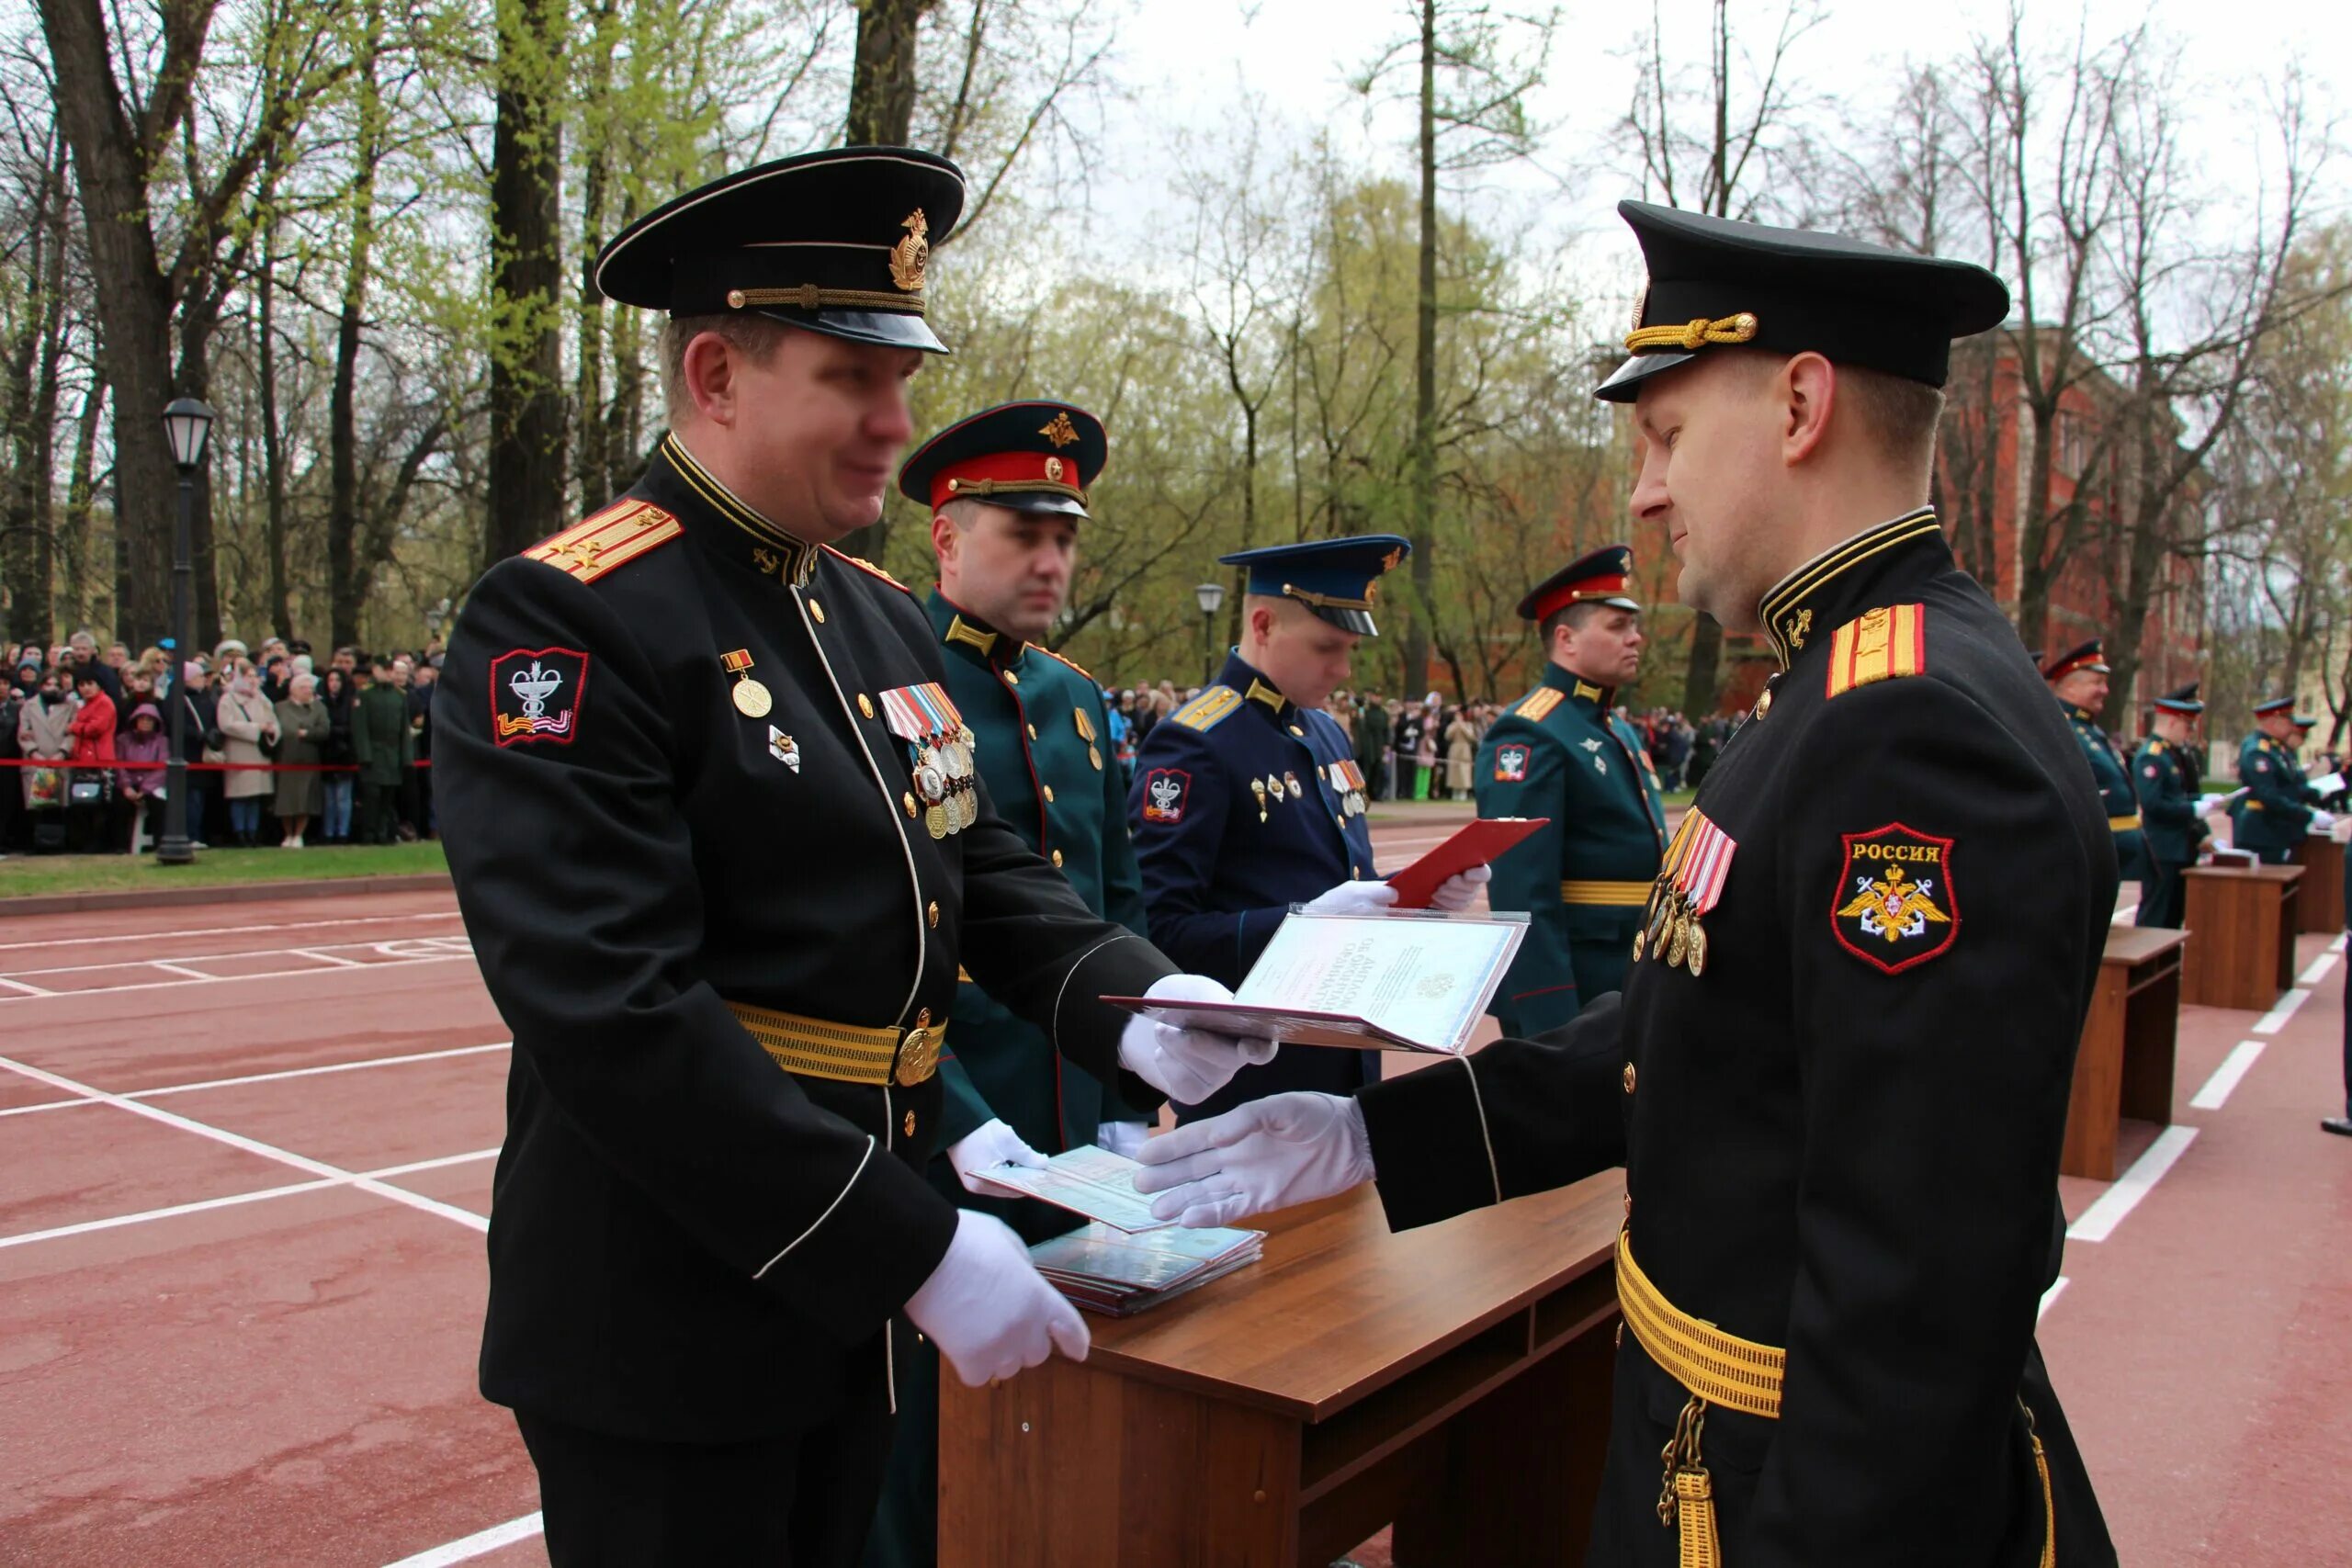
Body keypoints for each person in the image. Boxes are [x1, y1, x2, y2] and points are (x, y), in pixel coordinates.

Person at [1136, 199, 2119, 1567]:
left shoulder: (1908, 726)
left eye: (1664, 435)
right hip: (1705, 1439)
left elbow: (1911, 1305)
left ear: (1799, 403)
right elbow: (1697, 1036)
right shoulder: (1840, 680)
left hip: (1788, 1487)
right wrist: (1377, 1137)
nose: (1646, 489)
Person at [428, 146, 1269, 1568]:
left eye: (904, 378)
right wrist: (911, 1244)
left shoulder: (875, 615)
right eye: (852, 380)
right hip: (673, 1308)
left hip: (858, 1273)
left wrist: (1140, 1000)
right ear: (715, 375)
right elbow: (607, 1005)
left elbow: (982, 863)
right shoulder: (569, 618)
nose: (897, 422)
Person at [865, 400, 1160, 1568]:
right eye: (1020, 533)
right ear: (945, 538)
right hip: (949, 1120)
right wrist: (968, 1128)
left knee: (1062, 1427)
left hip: (1075, 1124)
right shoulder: (890, 683)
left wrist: (1133, 1095)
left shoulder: (1076, 701)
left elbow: (1111, 907)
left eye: (1065, 537)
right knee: (925, 1433)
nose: (1050, 560)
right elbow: (886, 945)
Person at [1125, 534, 1490, 1122]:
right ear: (1264, 625)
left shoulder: (1325, 733)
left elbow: (1341, 882)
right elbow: (1159, 933)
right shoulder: (1195, 742)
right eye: (1326, 647)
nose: (1343, 669)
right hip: (1251, 1074)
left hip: (1344, 1055)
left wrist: (1416, 894)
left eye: (1349, 649)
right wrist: (1306, 925)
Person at [1475, 546, 1669, 1034]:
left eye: (1633, 626)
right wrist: (1551, 1020)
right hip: (1578, 989)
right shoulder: (1531, 732)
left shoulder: (1616, 730)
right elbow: (1521, 888)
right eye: (1616, 626)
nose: (1635, 638)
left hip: (1627, 975)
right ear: (1566, 638)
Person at [2043, 639, 2145, 886]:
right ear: (2069, 687)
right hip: (2088, 854)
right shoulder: (2062, 729)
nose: (2105, 691)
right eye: (2097, 683)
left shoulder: (2089, 730)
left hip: (2112, 851)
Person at [2132, 685, 2209, 929]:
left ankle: (2169, 966)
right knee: (2155, 916)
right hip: (2162, 849)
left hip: (2181, 847)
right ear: (2173, 722)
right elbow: (2153, 804)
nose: (2189, 734)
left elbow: (2185, 793)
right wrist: (2193, 810)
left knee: (2174, 918)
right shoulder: (2152, 756)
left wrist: (2201, 826)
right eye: (2188, 727)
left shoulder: (2176, 754)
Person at [2232, 694, 2333, 864]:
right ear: (2273, 721)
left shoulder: (2278, 749)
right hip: (2263, 832)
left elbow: (2291, 786)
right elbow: (2269, 796)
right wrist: (2308, 815)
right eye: (2288, 721)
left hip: (2278, 830)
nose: (2292, 726)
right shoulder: (2258, 751)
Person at [215, 660, 280, 848]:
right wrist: (255, 728)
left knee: (255, 797)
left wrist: (271, 730)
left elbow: (273, 720)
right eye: (248, 676)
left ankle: (252, 832)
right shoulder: (229, 699)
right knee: (240, 796)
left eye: (254, 676)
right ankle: (239, 832)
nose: (252, 681)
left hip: (260, 752)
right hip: (239, 752)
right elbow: (226, 724)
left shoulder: (262, 698)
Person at [350, 656, 409, 844]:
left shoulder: (399, 696)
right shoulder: (365, 695)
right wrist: (365, 755)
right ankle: (369, 834)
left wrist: (406, 757)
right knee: (371, 797)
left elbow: (403, 730)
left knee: (387, 797)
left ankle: (383, 833)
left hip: (392, 755)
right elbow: (360, 729)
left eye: (390, 669)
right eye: (384, 669)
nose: (387, 673)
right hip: (374, 755)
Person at [273, 672, 330, 847]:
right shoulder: (280, 707)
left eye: (311, 689)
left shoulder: (319, 708)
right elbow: (280, 729)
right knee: (286, 801)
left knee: (305, 800)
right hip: (286, 759)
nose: (308, 692)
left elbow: (324, 730)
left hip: (308, 759)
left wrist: (306, 732)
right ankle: (287, 834)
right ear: (294, 690)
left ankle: (299, 834)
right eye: (304, 688)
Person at [114, 702, 170, 852]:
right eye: (142, 719)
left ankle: (160, 844)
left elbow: (162, 768)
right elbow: (119, 764)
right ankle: (120, 846)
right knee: (119, 804)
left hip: (152, 785)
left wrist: (145, 789)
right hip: (128, 783)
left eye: (150, 720)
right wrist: (126, 786)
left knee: (159, 805)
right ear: (135, 720)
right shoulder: (122, 740)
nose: (145, 722)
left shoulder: (162, 741)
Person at [319, 666, 356, 843]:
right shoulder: (321, 703)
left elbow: (352, 727)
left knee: (343, 797)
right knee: (328, 799)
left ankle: (343, 832)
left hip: (345, 754)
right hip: (326, 754)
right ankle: (328, 832)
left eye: (337, 680)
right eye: (331, 680)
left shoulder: (350, 702)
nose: (334, 684)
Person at [1442, 703, 1477, 799]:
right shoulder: (1452, 726)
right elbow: (1447, 736)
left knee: (1464, 772)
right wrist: (1455, 726)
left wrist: (1462, 726)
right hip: (1454, 749)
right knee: (1454, 772)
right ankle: (1454, 793)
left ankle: (1463, 793)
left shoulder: (1468, 725)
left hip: (1465, 749)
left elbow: (1471, 737)